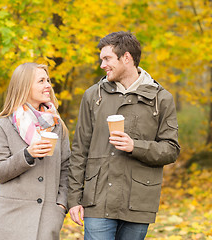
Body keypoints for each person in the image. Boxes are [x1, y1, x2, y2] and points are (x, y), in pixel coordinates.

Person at [68, 31, 180, 239]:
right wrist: (73, 199)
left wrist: (135, 146)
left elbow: (171, 150)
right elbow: (79, 151)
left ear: (126, 58)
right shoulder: (93, 95)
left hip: (138, 202)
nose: (102, 65)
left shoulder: (160, 98)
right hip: (97, 201)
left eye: (107, 59)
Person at [0, 62, 71, 240]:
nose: (48, 86)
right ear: (24, 86)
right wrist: (27, 154)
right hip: (12, 220)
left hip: (47, 218)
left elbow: (66, 168)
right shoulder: (4, 124)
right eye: (41, 81)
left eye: (48, 80)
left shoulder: (57, 125)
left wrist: (61, 205)